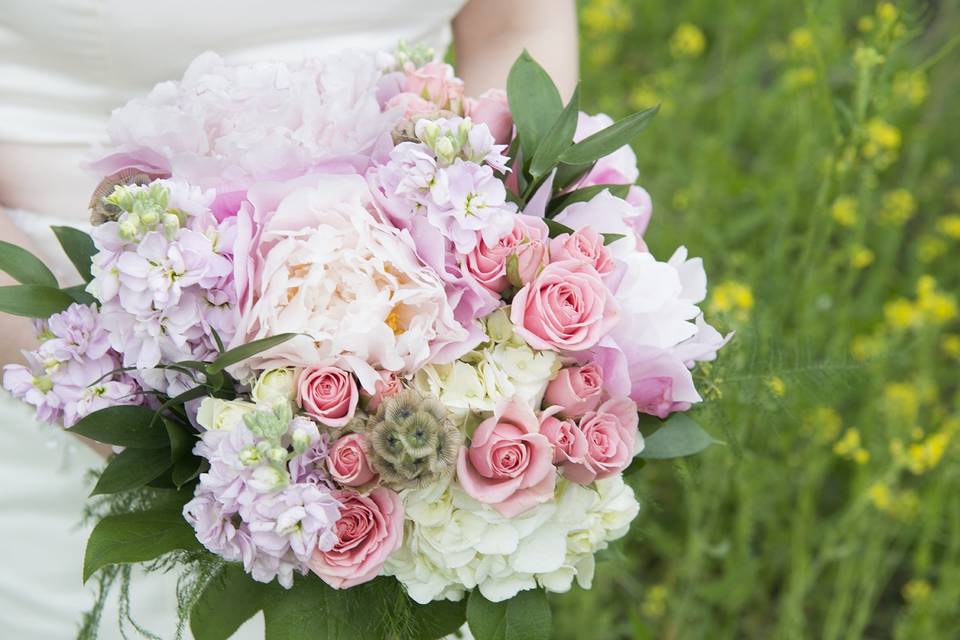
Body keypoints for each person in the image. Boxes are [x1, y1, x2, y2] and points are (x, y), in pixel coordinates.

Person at [0, 1, 578, 638]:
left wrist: (503, 270)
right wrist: (101, 393)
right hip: (80, 340)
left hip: (427, 372)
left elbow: (516, 24)